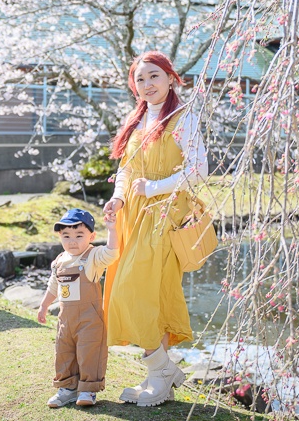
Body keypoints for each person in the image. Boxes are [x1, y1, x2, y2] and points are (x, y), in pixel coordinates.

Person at [102, 51, 209, 407]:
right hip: (134, 213)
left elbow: (198, 171)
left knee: (133, 290)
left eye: (154, 76)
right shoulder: (136, 119)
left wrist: (154, 188)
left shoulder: (183, 116)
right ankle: (158, 376)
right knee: (153, 293)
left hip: (165, 214)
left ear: (170, 77)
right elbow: (127, 170)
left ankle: (161, 373)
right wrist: (117, 198)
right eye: (141, 79)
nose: (147, 84)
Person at [37, 207, 119, 408]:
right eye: (66, 236)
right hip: (66, 319)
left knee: (89, 352)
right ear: (60, 237)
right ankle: (67, 388)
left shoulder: (92, 256)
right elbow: (53, 286)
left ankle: (88, 389)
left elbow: (112, 253)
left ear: (91, 236)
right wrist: (44, 306)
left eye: (79, 235)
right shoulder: (59, 261)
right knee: (64, 352)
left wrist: (113, 229)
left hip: (90, 320)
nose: (72, 241)